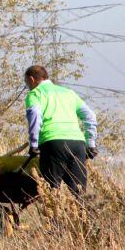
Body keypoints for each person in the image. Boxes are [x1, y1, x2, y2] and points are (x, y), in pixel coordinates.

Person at [23, 65, 98, 195]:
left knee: (52, 191)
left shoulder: (35, 94)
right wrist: (90, 144)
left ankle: (56, 215)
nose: (27, 86)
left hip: (52, 143)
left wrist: (34, 144)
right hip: (77, 143)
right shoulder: (68, 93)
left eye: (26, 82)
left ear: (31, 79)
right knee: (79, 192)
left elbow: (35, 114)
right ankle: (82, 214)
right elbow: (90, 116)